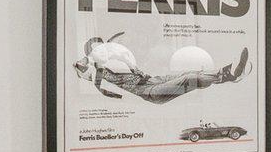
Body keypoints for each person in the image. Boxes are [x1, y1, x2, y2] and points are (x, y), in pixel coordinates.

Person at [74, 38, 251, 104]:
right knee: (189, 78)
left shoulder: (115, 61)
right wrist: (88, 60)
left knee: (187, 73)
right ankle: (229, 75)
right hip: (150, 92)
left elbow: (125, 59)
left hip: (152, 81)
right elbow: (80, 67)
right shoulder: (97, 72)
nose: (103, 50)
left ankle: (226, 73)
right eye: (98, 49)